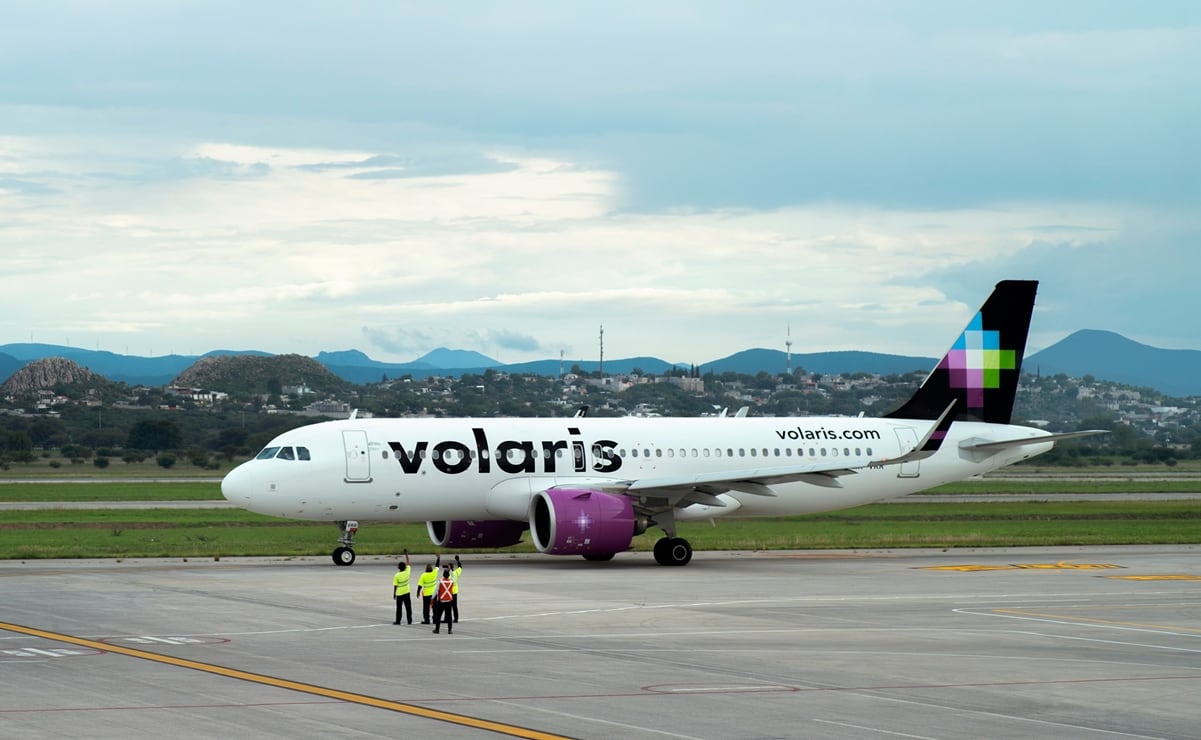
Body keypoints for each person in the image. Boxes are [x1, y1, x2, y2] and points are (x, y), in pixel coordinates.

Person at [432, 566, 455, 634]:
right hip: (449, 601)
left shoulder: (440, 582)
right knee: (449, 616)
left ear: (443, 575)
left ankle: (437, 629)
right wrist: (450, 570)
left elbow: (435, 591)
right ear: (448, 575)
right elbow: (453, 577)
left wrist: (432, 598)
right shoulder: (451, 582)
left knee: (438, 616)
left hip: (441, 601)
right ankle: (449, 630)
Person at [391, 550, 412, 625]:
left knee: (399, 608)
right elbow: (408, 563)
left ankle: (398, 621)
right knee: (408, 607)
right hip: (407, 592)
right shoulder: (407, 572)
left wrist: (394, 594)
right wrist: (406, 554)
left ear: (399, 567)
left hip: (399, 593)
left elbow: (395, 586)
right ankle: (409, 620)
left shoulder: (397, 575)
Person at [450, 554, 462, 623]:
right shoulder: (456, 572)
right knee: (454, 606)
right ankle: (456, 618)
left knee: (448, 606)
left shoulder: (447, 574)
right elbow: (460, 567)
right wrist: (458, 560)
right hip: (455, 592)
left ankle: (448, 618)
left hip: (449, 592)